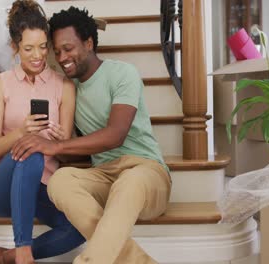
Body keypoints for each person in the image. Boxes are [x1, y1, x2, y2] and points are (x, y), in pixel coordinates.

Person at [10, 6, 172, 264]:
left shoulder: (122, 73)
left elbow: (115, 135)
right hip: (104, 176)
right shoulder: (68, 89)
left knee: (129, 182)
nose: (62, 57)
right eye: (58, 51)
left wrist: (58, 147)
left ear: (88, 43)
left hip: (146, 172)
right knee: (60, 181)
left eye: (69, 48)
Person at [0, 1, 85, 263]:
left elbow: (67, 151)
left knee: (80, 226)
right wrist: (22, 132)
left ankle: (10, 257)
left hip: (41, 187)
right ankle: (24, 250)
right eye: (28, 48)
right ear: (15, 48)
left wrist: (61, 142)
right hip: (0, 185)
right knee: (32, 149)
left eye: (42, 46)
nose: (37, 55)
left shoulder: (64, 87)